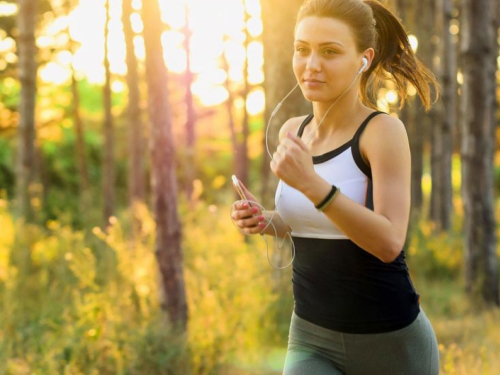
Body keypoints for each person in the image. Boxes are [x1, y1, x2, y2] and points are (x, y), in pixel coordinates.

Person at [231, 0, 440, 373]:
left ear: (364, 58)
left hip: (390, 342)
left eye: (330, 52)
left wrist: (312, 185)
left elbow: (389, 242)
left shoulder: (381, 132)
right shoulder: (291, 131)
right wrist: (266, 220)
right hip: (311, 336)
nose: (311, 65)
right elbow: (310, 222)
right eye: (302, 50)